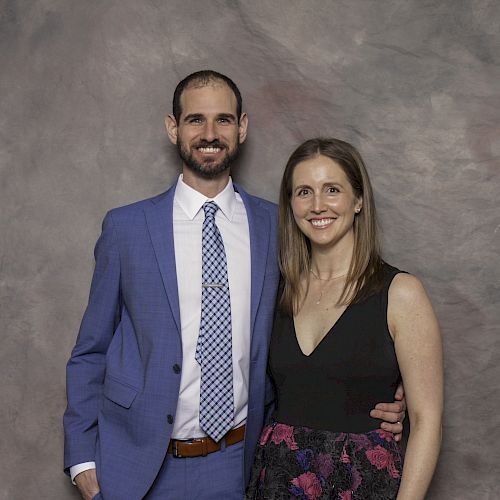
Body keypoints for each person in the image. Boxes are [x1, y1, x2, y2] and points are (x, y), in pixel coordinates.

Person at [63, 72, 406, 500]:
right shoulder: (127, 228)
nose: (210, 134)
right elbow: (90, 350)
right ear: (173, 127)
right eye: (195, 120)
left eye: (223, 120)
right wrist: (82, 462)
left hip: (241, 465)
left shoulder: (278, 227)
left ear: (242, 127)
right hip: (135, 466)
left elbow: (324, 319)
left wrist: (383, 387)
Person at [247, 138, 443, 499]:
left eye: (332, 189)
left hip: (363, 484)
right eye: (303, 192)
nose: (317, 205)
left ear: (358, 200)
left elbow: (427, 421)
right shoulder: (275, 291)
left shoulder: (400, 293)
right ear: (290, 205)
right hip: (277, 481)